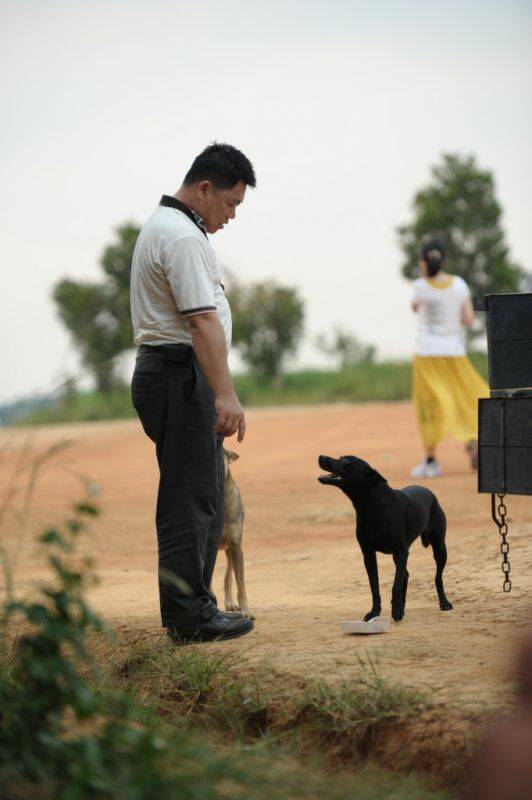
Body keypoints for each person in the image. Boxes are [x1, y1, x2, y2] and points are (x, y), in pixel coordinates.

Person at [130, 143, 256, 642]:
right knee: (190, 499)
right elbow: (201, 319)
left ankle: (197, 607)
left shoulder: (177, 229)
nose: (230, 216)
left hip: (179, 375)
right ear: (204, 189)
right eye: (230, 204)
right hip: (179, 376)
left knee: (201, 494)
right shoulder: (180, 236)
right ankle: (189, 617)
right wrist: (225, 395)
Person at [410, 240, 489, 478]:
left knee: (431, 404)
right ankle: (472, 442)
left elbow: (414, 308)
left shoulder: (420, 286)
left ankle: (431, 460)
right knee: (463, 399)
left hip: (426, 354)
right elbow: (467, 319)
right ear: (443, 260)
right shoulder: (459, 285)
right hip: (454, 352)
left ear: (423, 262)